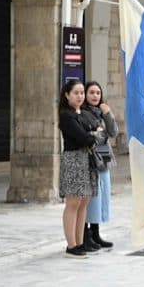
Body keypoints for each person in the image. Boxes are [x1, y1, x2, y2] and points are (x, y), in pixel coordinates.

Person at [57, 80, 104, 259]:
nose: (80, 96)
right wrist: (92, 135)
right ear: (67, 95)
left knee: (84, 201)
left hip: (86, 160)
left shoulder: (83, 113)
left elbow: (100, 132)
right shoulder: (67, 116)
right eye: (76, 93)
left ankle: (80, 241)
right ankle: (71, 245)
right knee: (73, 202)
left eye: (82, 92)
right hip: (73, 159)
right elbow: (85, 138)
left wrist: (93, 134)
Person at [83, 81, 117, 250]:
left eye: (98, 92)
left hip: (103, 157)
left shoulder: (101, 112)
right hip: (90, 158)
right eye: (91, 92)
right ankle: (86, 234)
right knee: (91, 199)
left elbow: (112, 132)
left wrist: (108, 113)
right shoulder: (83, 113)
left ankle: (95, 233)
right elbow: (93, 134)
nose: (95, 96)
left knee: (102, 196)